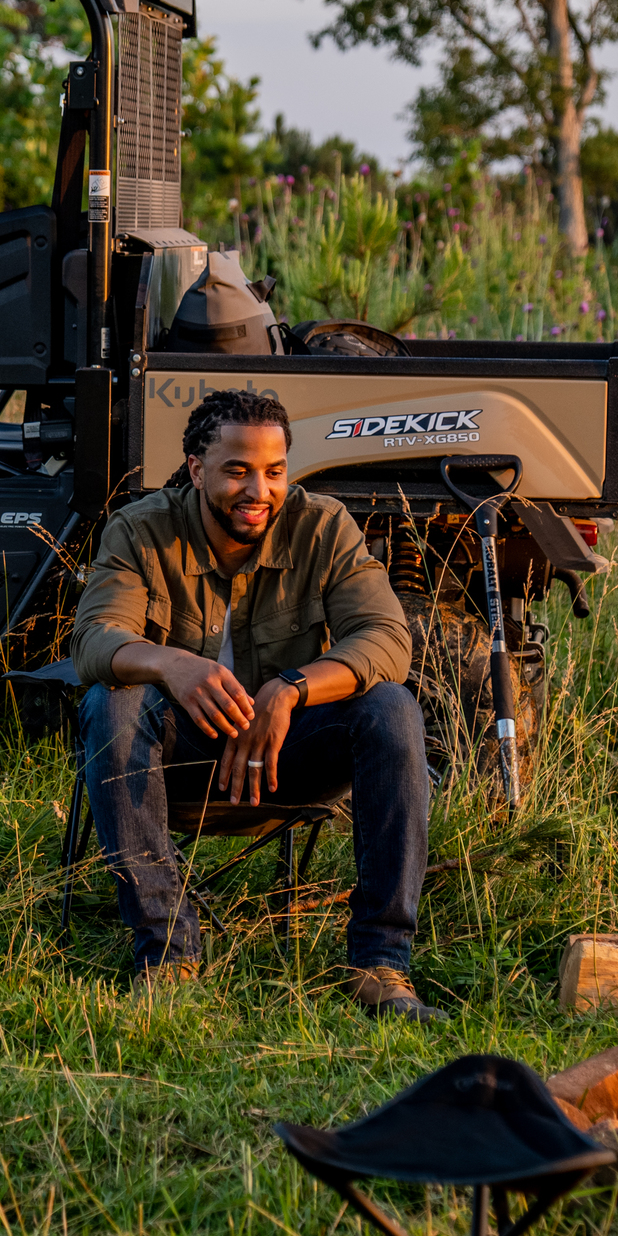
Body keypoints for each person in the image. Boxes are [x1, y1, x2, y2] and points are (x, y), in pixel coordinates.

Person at [69, 387, 441, 1020]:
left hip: (285, 756)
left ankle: (381, 965)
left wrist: (291, 689)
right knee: (114, 702)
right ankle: (167, 954)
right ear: (196, 468)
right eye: (237, 470)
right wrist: (171, 663)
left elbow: (387, 638)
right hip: (178, 756)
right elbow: (95, 638)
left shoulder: (323, 526)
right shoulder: (141, 529)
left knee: (391, 708)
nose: (258, 490)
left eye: (274, 472)